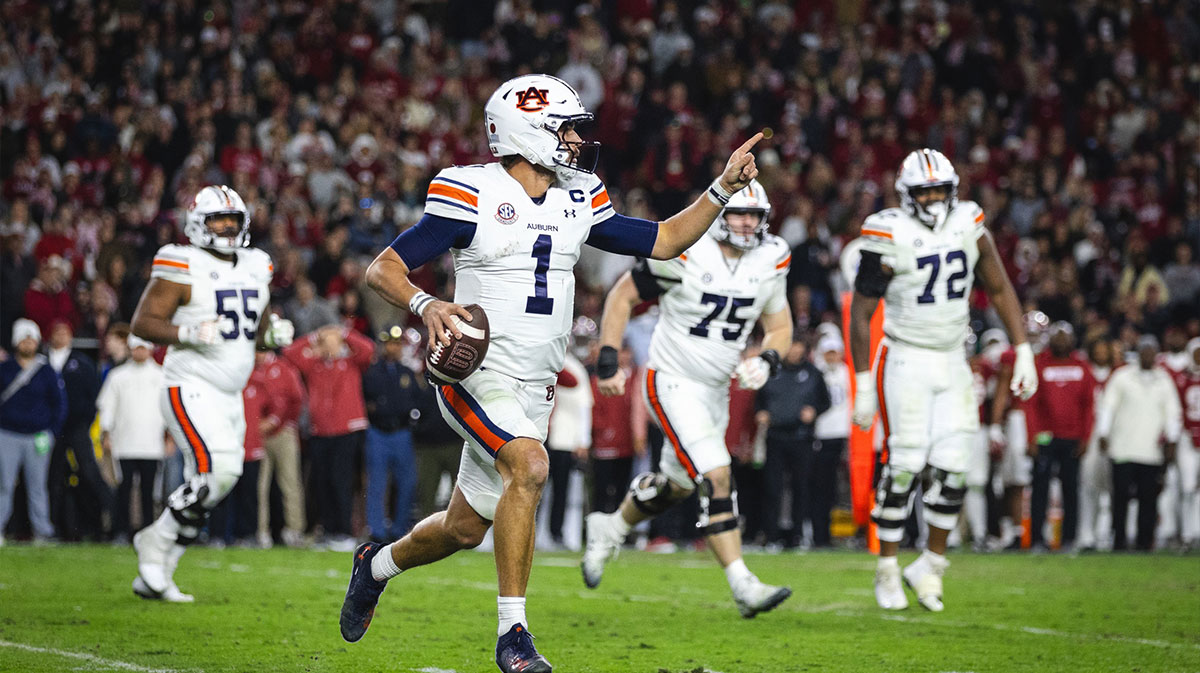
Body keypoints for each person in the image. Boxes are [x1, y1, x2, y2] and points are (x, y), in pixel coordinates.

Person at [341, 72, 762, 673]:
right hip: (473, 373)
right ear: (527, 132)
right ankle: (513, 635)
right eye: (564, 130)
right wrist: (428, 304)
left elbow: (666, 240)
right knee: (531, 466)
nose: (573, 142)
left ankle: (374, 566)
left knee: (464, 529)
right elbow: (384, 268)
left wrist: (721, 188)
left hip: (534, 385)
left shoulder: (577, 194)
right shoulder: (472, 193)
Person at [583, 178, 794, 618]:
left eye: (753, 215)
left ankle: (611, 526)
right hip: (672, 379)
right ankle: (743, 584)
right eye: (736, 213)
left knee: (675, 487)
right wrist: (607, 357)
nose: (744, 223)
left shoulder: (771, 258)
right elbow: (623, 295)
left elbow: (780, 324)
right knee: (717, 475)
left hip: (716, 390)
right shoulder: (688, 252)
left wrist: (770, 358)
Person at [849, 149, 1036, 612]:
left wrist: (1024, 348)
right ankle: (888, 567)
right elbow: (861, 312)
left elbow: (997, 286)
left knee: (957, 467)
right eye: (924, 191)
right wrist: (866, 382)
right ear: (907, 195)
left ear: (953, 191)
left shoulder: (969, 222)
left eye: (939, 190)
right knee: (905, 464)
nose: (933, 199)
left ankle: (930, 565)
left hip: (953, 358)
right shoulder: (888, 230)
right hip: (906, 357)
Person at [128, 185, 294, 602]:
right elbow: (143, 323)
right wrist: (186, 332)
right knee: (212, 474)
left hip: (231, 392)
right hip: (190, 383)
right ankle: (156, 541)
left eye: (232, 221)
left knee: (222, 480)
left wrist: (270, 334)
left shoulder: (257, 265)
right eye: (217, 220)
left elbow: (252, 328)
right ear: (197, 225)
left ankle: (160, 569)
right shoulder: (181, 262)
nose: (225, 228)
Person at [282, 324, 374, 550]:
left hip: (346, 430)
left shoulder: (350, 363)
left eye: (334, 343)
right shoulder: (315, 365)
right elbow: (290, 353)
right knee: (322, 483)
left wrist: (342, 333)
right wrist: (316, 336)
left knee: (341, 481)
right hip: (320, 431)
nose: (330, 347)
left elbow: (368, 349)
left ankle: (345, 532)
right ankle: (329, 530)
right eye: (326, 343)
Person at [1096, 335, 1182, 551]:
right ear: (1139, 353)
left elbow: (1173, 414)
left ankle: (1145, 542)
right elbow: (1108, 406)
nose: (1147, 355)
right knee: (1120, 498)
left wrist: (1171, 441)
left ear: (1156, 354)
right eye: (1144, 350)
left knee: (1148, 500)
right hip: (1122, 447)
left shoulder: (1164, 379)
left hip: (1151, 451)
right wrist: (1104, 433)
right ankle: (1119, 541)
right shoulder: (1123, 376)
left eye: (1151, 351)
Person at [1024, 322, 1096, 551]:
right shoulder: (1040, 364)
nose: (1061, 341)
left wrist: (1085, 438)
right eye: (1057, 336)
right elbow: (1031, 405)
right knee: (1040, 489)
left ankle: (1069, 539)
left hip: (1072, 437)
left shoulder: (1082, 366)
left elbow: (1088, 406)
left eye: (1065, 337)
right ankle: (1037, 539)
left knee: (1071, 490)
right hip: (1046, 437)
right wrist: (1031, 437)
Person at [755, 340, 831, 548]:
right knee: (772, 488)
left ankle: (798, 536)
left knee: (801, 487)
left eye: (799, 346)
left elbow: (825, 401)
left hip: (802, 437)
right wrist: (760, 413)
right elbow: (758, 400)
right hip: (775, 436)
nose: (795, 351)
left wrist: (814, 412)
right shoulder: (772, 371)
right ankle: (771, 536)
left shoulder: (813, 373)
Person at [0, 319, 66, 544]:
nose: (28, 343)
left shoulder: (46, 371)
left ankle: (42, 531)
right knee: (4, 485)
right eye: (24, 338)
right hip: (7, 434)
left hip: (38, 435)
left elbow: (59, 404)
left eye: (31, 339)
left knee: (38, 486)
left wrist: (51, 432)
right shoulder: (5, 368)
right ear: (16, 342)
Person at [45, 319, 111, 540]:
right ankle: (52, 527)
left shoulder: (81, 363)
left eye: (65, 331)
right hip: (50, 430)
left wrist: (85, 420)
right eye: (57, 332)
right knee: (52, 478)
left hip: (77, 426)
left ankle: (109, 523)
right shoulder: (43, 363)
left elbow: (93, 396)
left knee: (90, 473)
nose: (61, 336)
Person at [97, 335, 167, 543]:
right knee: (123, 489)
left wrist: (170, 437)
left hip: (152, 444)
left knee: (149, 491)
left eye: (143, 348)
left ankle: (147, 532)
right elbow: (107, 407)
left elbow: (168, 410)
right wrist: (106, 433)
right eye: (136, 348)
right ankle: (120, 531)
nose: (139, 352)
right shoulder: (118, 376)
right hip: (124, 443)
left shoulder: (161, 376)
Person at [361, 325, 422, 540]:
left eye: (397, 344)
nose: (393, 348)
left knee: (407, 483)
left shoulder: (407, 373)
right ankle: (376, 530)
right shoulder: (372, 372)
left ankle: (399, 530)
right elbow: (365, 399)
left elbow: (417, 400)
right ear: (382, 345)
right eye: (389, 343)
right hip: (377, 432)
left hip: (402, 432)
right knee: (376, 484)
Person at [250, 347, 306, 548]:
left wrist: (282, 421)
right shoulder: (248, 368)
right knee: (259, 485)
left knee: (289, 482)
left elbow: (297, 398)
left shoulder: (284, 368)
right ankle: (260, 531)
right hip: (257, 433)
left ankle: (294, 529)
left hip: (283, 433)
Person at [587, 345, 645, 515]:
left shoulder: (636, 378)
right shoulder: (601, 377)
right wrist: (601, 431)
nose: (624, 356)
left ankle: (619, 530)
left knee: (623, 488)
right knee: (601, 488)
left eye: (627, 352)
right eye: (621, 352)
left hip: (628, 445)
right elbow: (594, 407)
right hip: (604, 444)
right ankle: (596, 529)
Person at [543, 349, 591, 550]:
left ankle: (556, 533)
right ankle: (528, 532)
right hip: (539, 433)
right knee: (529, 488)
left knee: (560, 490)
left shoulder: (574, 368)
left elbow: (584, 406)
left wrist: (582, 440)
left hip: (563, 436)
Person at [1077, 339, 1117, 551]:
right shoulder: (1085, 372)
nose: (1101, 354)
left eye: (1105, 350)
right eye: (1098, 350)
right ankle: (1086, 534)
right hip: (1090, 434)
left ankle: (1106, 534)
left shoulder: (1119, 374)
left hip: (1115, 435)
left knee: (1112, 486)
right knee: (1088, 485)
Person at [812, 335, 851, 548]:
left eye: (834, 351)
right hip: (823, 435)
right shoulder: (816, 373)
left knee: (848, 489)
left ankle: (859, 532)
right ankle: (821, 535)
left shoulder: (848, 374)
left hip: (847, 435)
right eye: (828, 352)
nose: (831, 356)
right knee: (824, 488)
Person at [1167, 338, 1200, 549]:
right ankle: (1187, 534)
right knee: (1187, 487)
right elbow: (1174, 410)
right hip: (1188, 438)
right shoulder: (1181, 378)